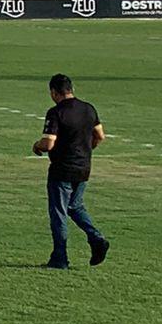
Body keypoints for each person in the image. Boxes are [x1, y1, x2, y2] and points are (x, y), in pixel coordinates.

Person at [34, 74, 110, 269]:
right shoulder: (88, 109)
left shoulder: (56, 112)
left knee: (58, 213)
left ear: (53, 92)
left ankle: (60, 259)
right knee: (75, 206)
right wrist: (85, 150)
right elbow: (100, 135)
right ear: (71, 89)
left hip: (62, 169)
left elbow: (49, 143)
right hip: (83, 167)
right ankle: (96, 237)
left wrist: (37, 146)